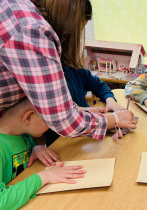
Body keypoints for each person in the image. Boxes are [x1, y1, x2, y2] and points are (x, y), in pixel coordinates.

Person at [0, 0, 136, 141]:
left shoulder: (23, 19)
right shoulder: (31, 31)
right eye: (78, 30)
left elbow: (93, 88)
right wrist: (113, 119)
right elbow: (63, 120)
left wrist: (99, 110)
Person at [0, 97, 86, 209]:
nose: (53, 127)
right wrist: (45, 176)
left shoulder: (21, 133)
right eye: (50, 121)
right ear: (28, 117)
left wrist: (35, 148)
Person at [44, 66, 124, 146]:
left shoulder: (76, 70)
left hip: (87, 132)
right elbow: (56, 111)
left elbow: (99, 85)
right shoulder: (46, 80)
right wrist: (85, 109)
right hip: (60, 140)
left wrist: (110, 100)